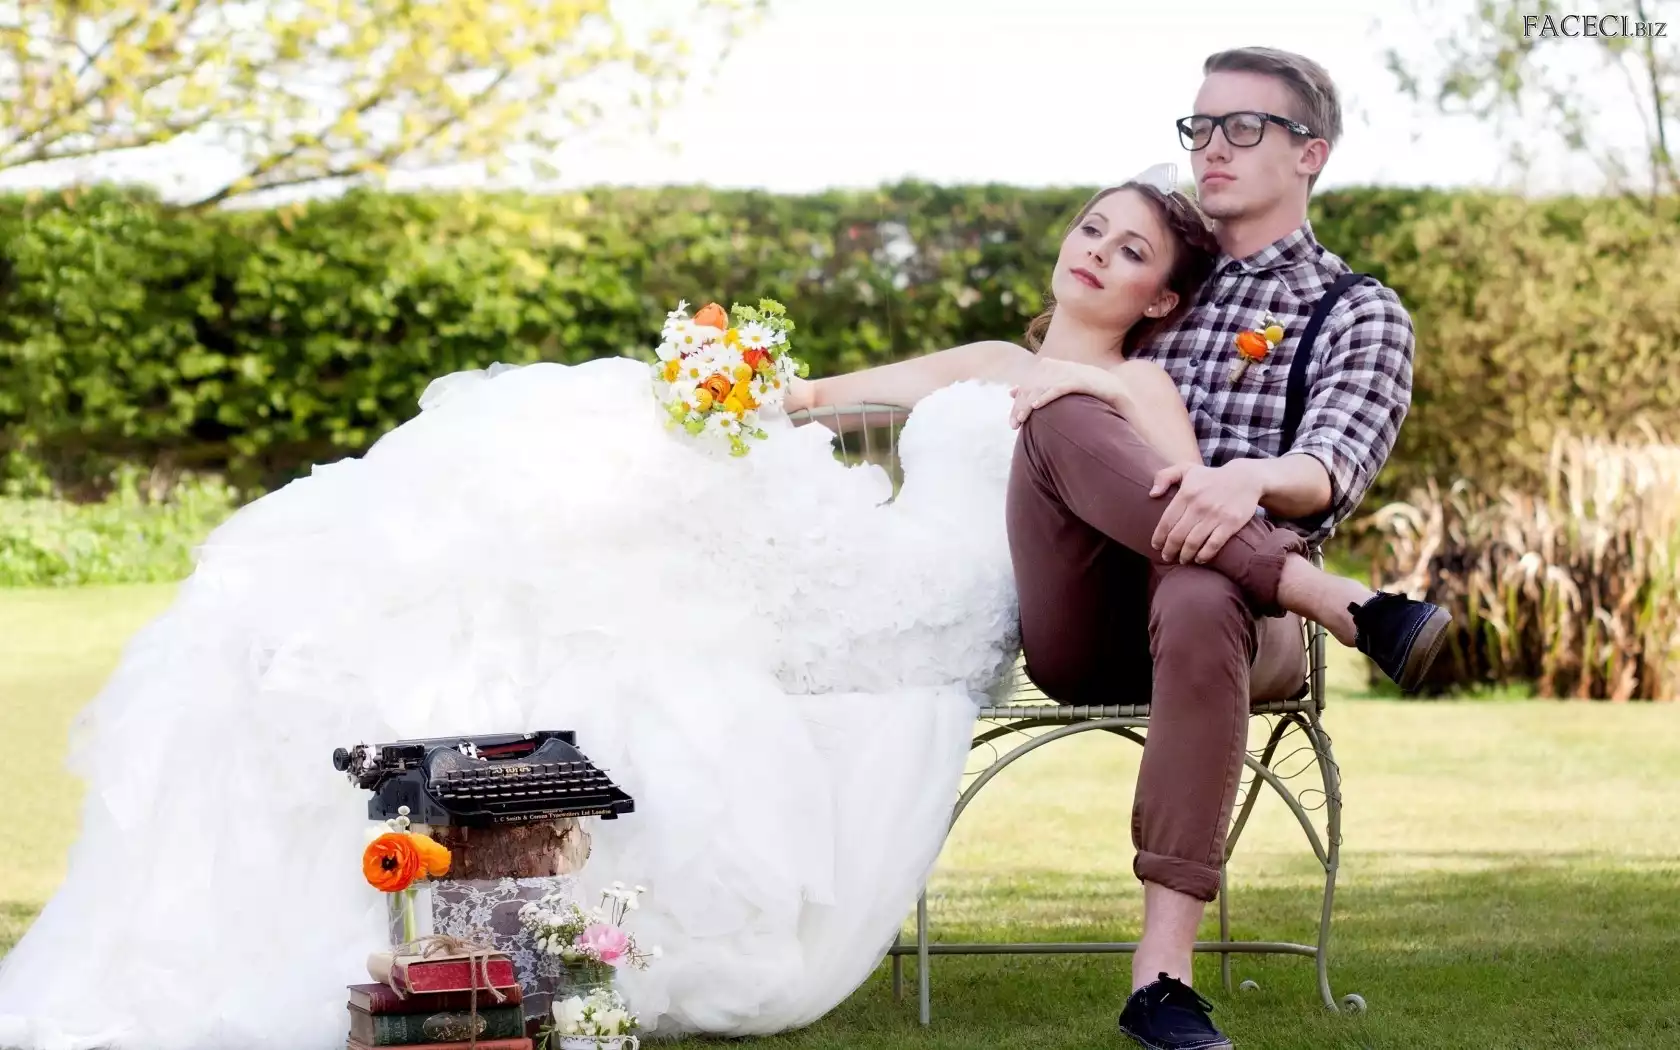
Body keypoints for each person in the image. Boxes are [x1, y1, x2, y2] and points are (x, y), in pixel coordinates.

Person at [2, 174, 1231, 1049]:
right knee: (616, 478)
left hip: (942, 604)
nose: (1095, 252)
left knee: (641, 580)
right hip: (877, 553)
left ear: (1163, 300)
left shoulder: (1137, 387)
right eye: (1092, 227)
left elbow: (1182, 497)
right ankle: (466, 681)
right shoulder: (987, 360)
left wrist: (1098, 406)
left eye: (1130, 252)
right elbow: (813, 400)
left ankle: (510, 735)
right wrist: (724, 383)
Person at [788, 47, 1444, 1050]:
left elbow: (1331, 464)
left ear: (1310, 153)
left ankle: (1163, 980)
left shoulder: (1350, 309)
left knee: (1196, 590)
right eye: (1200, 126)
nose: (1213, 146)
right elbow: (835, 398)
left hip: (1243, 621)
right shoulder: (1149, 285)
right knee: (1054, 405)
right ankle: (1350, 604)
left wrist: (1248, 476)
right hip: (1084, 613)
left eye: (1243, 127)